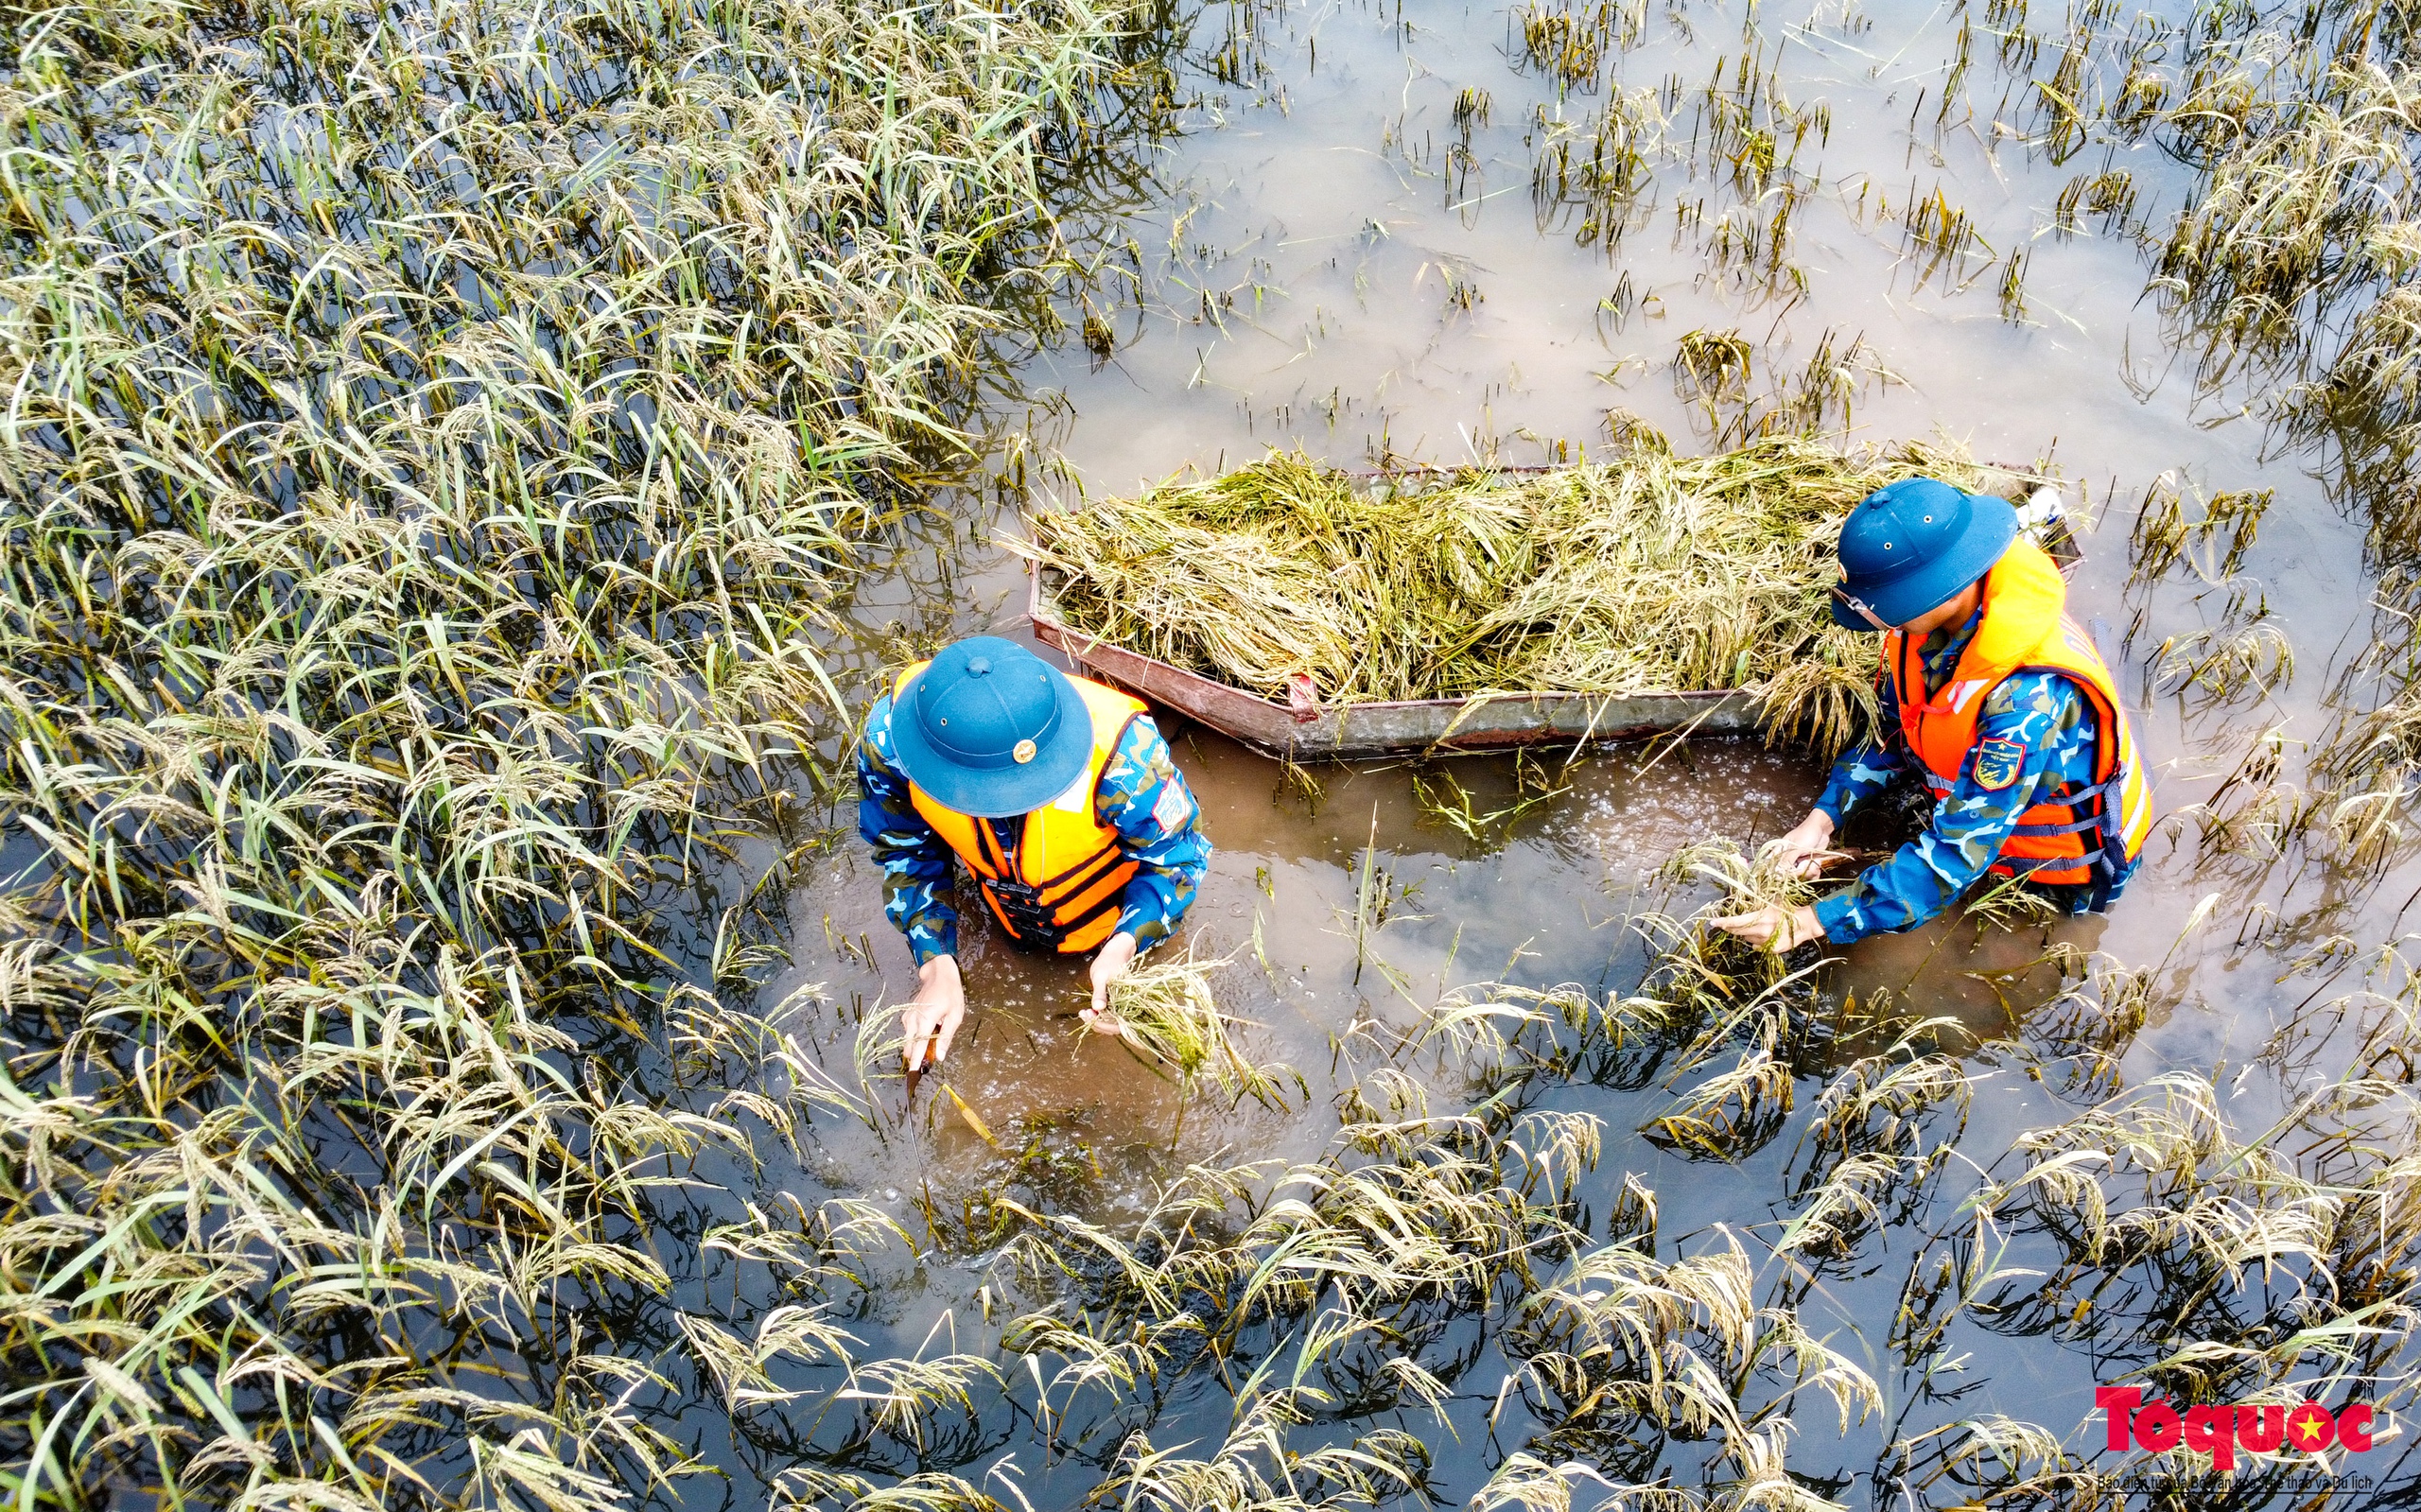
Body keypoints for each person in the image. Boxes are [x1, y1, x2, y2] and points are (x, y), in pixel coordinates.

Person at [1714, 477, 2153, 952]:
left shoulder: (2027, 704)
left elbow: (1957, 853)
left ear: (1939, 590)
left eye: (1888, 606)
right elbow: (1892, 733)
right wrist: (1820, 822)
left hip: (2052, 879)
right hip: (1983, 817)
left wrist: (1809, 921)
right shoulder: (1929, 622)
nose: (1881, 621)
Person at [858, 634, 1210, 1071]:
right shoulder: (891, 742)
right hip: (1002, 909)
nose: (1006, 805)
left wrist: (1125, 945)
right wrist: (935, 964)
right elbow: (902, 846)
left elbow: (1180, 858)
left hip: (1108, 925)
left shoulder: (1126, 761)